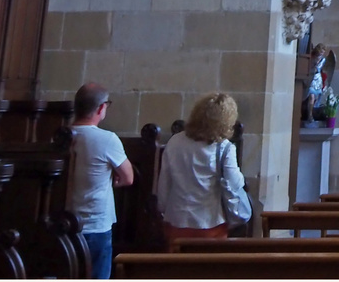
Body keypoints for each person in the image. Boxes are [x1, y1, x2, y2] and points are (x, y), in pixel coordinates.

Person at [155, 93, 251, 247]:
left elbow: (164, 182)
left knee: (177, 269)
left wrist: (163, 207)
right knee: (209, 269)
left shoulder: (175, 141)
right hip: (210, 222)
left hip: (177, 218)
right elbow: (235, 182)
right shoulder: (224, 148)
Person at [66, 83, 134, 279]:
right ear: (101, 107)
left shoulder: (61, 136)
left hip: (64, 223)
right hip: (95, 223)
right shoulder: (107, 140)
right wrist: (115, 181)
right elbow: (128, 177)